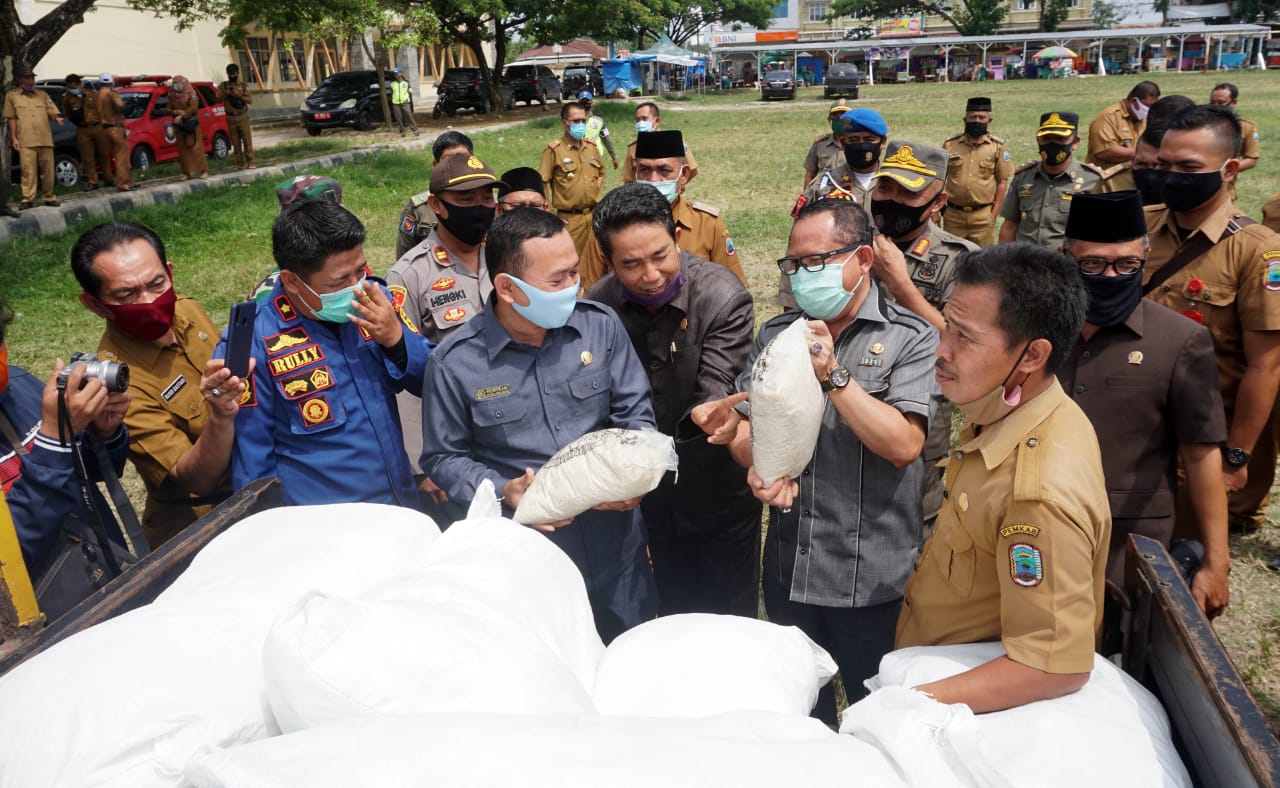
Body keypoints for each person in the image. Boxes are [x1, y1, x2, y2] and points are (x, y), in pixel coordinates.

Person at [695, 199, 937, 722]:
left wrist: (834, 376)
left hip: (870, 581)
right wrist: (755, 465)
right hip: (790, 573)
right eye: (793, 264)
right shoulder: (777, 335)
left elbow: (903, 446)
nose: (802, 275)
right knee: (803, 720)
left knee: (881, 719)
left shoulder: (910, 337)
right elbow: (748, 430)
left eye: (816, 261)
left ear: (864, 259)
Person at [419, 207, 658, 643]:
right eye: (557, 280)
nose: (574, 286)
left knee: (633, 653)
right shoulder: (455, 364)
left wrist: (635, 472)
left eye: (574, 272)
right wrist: (500, 488)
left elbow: (635, 414)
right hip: (530, 555)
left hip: (616, 547)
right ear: (508, 288)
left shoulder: (599, 328)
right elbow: (443, 455)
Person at [895, 242, 1110, 713]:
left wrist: (907, 705)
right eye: (946, 326)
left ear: (1032, 355)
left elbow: (1053, 664)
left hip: (966, 709)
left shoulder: (1038, 492)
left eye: (965, 338)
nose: (941, 350)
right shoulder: (1008, 409)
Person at [585, 183, 759, 617]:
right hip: (649, 496)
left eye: (660, 256)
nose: (650, 275)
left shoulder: (722, 296)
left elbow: (716, 385)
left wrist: (714, 414)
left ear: (676, 239)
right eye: (631, 264)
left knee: (729, 622)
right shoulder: (599, 307)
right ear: (608, 262)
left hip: (718, 492)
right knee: (674, 616)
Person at [1057, 190, 1229, 618]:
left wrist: (1216, 562)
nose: (1110, 275)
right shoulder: (1038, 331)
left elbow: (1203, 453)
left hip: (1130, 543)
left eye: (1127, 265)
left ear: (1146, 255)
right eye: (1093, 264)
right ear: (1065, 255)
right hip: (1036, 531)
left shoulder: (1180, 340)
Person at [227, 200, 431, 508]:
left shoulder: (377, 302)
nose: (356, 287)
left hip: (399, 507)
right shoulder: (256, 341)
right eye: (339, 281)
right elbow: (253, 463)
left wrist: (397, 340)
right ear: (292, 281)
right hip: (324, 530)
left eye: (360, 271)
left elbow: (432, 379)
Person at [1143, 104, 1280, 533]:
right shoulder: (1138, 227)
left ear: (1229, 169)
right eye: (1163, 164)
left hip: (1202, 435)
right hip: (1138, 419)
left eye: (1188, 167)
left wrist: (1236, 456)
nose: (1170, 176)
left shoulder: (1258, 250)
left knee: (1182, 549)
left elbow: (1265, 365)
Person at [71, 221, 242, 547]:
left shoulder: (188, 310)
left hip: (256, 482)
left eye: (156, 283)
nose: (149, 300)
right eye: (127, 294)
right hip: (203, 531)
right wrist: (221, 415)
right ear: (94, 304)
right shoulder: (118, 384)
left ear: (170, 273)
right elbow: (196, 480)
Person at [867, 142, 978, 530]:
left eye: (909, 192)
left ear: (938, 201)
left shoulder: (962, 260)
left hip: (918, 417)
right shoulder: (849, 241)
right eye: (885, 188)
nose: (892, 201)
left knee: (913, 522)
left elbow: (963, 347)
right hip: (845, 406)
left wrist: (902, 285)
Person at [0, 299, 131, 618]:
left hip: (104, 578)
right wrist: (55, 441)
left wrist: (103, 433)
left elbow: (89, 474)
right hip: (42, 632)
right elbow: (10, 558)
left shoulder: (17, 386)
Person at [386, 154, 500, 465]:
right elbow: (404, 372)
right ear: (436, 205)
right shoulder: (409, 275)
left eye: (486, 197)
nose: (480, 207)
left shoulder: (506, 257)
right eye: (466, 199)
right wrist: (421, 460)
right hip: (452, 441)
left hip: (508, 429)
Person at [779, 107, 888, 309]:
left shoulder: (896, 186)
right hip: (835, 292)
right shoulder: (823, 187)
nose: (861, 146)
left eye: (868, 139)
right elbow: (797, 245)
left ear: (882, 143)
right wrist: (791, 300)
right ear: (844, 143)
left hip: (888, 288)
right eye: (854, 140)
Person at [632, 129, 746, 286]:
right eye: (644, 170)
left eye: (664, 170)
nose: (654, 179)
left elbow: (733, 290)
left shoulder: (707, 225)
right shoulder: (612, 225)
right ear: (634, 173)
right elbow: (592, 296)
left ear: (684, 174)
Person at [998, 112, 1102, 250]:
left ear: (1075, 142)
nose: (1052, 144)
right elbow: (1010, 226)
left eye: (1060, 139)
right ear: (1038, 140)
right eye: (1046, 139)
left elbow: (1100, 234)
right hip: (1025, 264)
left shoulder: (1092, 180)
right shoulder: (1023, 177)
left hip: (1066, 265)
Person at [539, 101, 606, 285]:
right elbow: (543, 180)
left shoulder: (591, 147)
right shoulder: (554, 150)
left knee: (597, 261)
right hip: (570, 220)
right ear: (564, 123)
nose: (580, 125)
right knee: (570, 265)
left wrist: (592, 191)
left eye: (583, 120)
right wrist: (548, 213)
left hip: (593, 215)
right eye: (575, 121)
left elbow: (601, 172)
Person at [941, 96, 1013, 247]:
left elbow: (1002, 182)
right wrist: (937, 210)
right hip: (953, 216)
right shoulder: (950, 145)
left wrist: (993, 215)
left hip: (982, 216)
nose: (977, 121)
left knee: (982, 263)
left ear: (989, 121)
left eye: (982, 117)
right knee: (951, 259)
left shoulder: (997, 147)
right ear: (965, 119)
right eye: (973, 117)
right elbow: (939, 178)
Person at [396, 130, 474, 260]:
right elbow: (404, 258)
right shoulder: (419, 208)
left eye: (462, 159)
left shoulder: (489, 203)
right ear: (436, 165)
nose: (456, 166)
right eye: (448, 160)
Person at [3, 66, 64, 209]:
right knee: (28, 171)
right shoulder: (12, 96)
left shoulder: (42, 94)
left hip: (45, 138)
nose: (31, 81)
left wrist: (56, 119)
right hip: (26, 139)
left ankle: (49, 197)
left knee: (48, 170)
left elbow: (51, 110)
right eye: (27, 78)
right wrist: (14, 137)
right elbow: (11, 117)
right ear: (20, 79)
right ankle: (27, 199)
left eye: (32, 78)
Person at [1086, 80, 1160, 193]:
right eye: (1147, 106)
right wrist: (1142, 155)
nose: (1148, 111)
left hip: (1131, 180)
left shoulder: (1144, 119)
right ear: (1134, 101)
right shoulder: (1108, 117)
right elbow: (1104, 151)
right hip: (1105, 183)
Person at [621, 101, 699, 185]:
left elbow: (692, 170)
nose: (640, 123)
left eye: (644, 118)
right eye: (637, 120)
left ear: (657, 121)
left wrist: (676, 187)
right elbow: (628, 179)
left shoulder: (674, 142)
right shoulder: (633, 147)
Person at [1208, 83, 1259, 203]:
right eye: (1212, 102)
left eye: (1220, 103)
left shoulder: (1246, 127)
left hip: (1225, 189)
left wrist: (1224, 170)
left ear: (1234, 103)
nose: (1215, 107)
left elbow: (1251, 159)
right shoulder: (1201, 125)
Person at [61, 74, 112, 192]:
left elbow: (102, 109)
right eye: (69, 87)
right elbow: (68, 113)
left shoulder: (93, 94)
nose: (71, 89)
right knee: (87, 157)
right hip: (82, 129)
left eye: (73, 86)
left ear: (80, 84)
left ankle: (108, 179)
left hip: (97, 126)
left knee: (104, 154)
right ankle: (92, 181)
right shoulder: (67, 98)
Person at [95, 73, 136, 192]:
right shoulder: (111, 94)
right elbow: (120, 105)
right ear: (111, 82)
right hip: (116, 127)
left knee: (116, 156)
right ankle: (124, 183)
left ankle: (128, 182)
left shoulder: (98, 95)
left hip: (105, 129)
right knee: (121, 157)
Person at [802, 101, 849, 191]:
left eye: (844, 116)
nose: (840, 119)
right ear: (829, 119)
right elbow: (810, 175)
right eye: (835, 116)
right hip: (824, 196)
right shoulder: (820, 144)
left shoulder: (858, 144)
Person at [168, 75, 207, 181]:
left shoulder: (191, 93)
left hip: (191, 123)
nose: (176, 86)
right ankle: (187, 172)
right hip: (179, 125)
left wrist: (183, 115)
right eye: (174, 83)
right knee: (183, 149)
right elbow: (168, 108)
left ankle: (203, 170)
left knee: (196, 148)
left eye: (178, 83)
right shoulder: (171, 94)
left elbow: (193, 107)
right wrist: (176, 112)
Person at [217, 63, 255, 169]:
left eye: (234, 74)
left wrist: (239, 96)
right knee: (235, 142)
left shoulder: (243, 86)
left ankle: (251, 161)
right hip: (230, 118)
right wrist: (226, 93)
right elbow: (217, 98)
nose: (232, 76)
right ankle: (239, 163)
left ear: (238, 73)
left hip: (242, 116)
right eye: (230, 74)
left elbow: (250, 100)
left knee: (247, 140)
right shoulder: (223, 86)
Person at [577, 91, 617, 171]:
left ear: (591, 103)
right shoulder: (573, 121)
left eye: (587, 101)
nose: (585, 104)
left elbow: (606, 139)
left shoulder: (599, 120)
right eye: (582, 102)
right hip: (578, 156)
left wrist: (614, 157)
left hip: (596, 156)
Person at [390, 68, 418, 137]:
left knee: (409, 116)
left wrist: (410, 102)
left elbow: (410, 93)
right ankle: (402, 132)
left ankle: (415, 130)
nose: (395, 74)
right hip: (396, 103)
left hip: (405, 102)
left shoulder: (406, 83)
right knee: (398, 118)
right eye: (394, 73)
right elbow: (392, 93)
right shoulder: (392, 84)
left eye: (397, 73)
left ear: (401, 73)